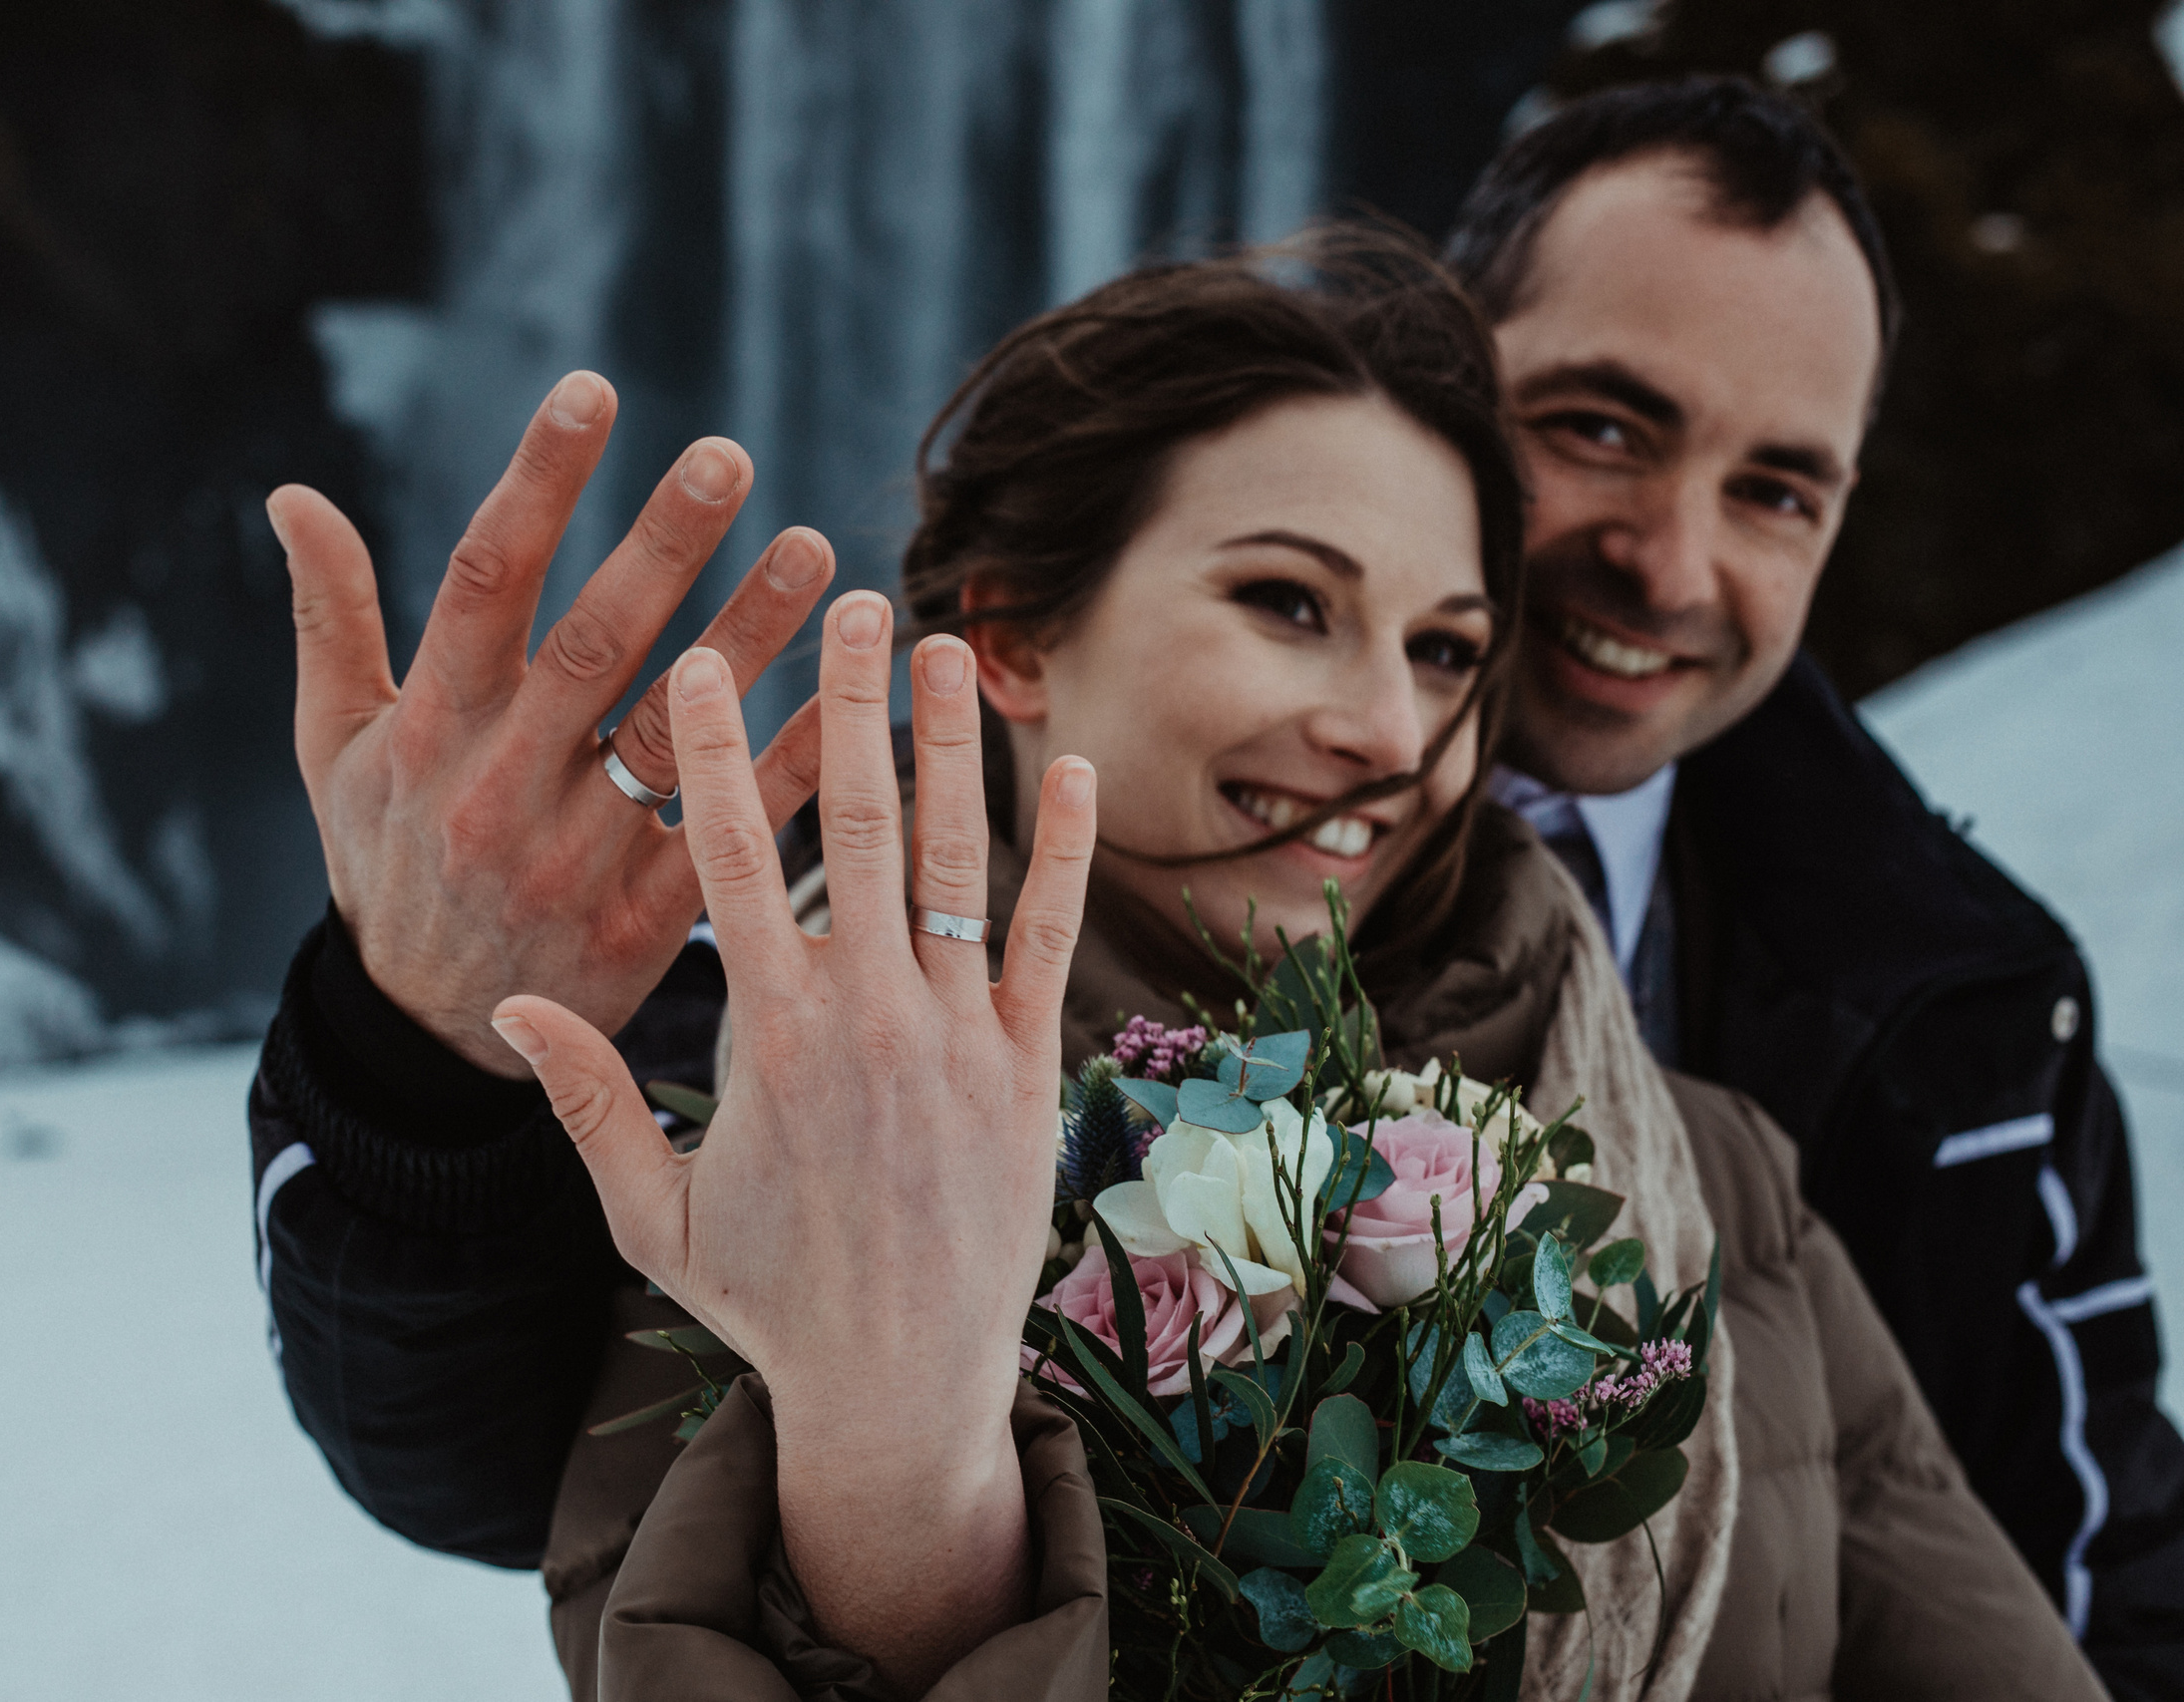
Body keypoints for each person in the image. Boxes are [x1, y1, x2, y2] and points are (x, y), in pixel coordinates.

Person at [247, 235, 2103, 1699]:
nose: (1390, 728)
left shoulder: (1725, 1179)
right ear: (1013, 632)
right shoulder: (775, 1147)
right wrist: (423, 1034)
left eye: (1449, 651)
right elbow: (459, 1460)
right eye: (1288, 602)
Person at [1438, 77, 2184, 1696]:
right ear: (1432, 377)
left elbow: (2112, 1597)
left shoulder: (1977, 1023)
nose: (1672, 564)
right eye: (1600, 428)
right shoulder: (1072, 865)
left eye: (1775, 491)